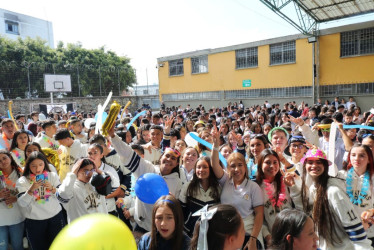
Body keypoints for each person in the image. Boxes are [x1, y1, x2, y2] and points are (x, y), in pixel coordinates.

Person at [290, 148, 372, 249]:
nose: (314, 166)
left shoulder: (333, 191)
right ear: (305, 165)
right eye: (310, 162)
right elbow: (305, 213)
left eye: (319, 162)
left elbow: (353, 226)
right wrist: (293, 188)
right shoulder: (313, 188)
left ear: (325, 165)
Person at [211, 126, 264, 249]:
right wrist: (215, 144)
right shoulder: (225, 181)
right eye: (232, 166)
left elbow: (259, 215)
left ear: (245, 167)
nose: (236, 169)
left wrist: (253, 239)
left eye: (240, 165)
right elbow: (214, 165)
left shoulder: (253, 187)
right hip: (228, 235)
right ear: (228, 168)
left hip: (248, 234)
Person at [16, 152, 65, 250]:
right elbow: (22, 203)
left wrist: (52, 188)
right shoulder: (22, 181)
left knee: (57, 246)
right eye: (33, 166)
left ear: (45, 164)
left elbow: (62, 196)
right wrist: (31, 189)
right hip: (35, 221)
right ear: (28, 166)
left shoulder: (52, 176)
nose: (37, 169)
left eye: (40, 165)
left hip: (55, 217)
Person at [256, 149, 301, 247]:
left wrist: (293, 187)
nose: (272, 166)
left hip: (293, 234)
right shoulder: (256, 187)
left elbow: (299, 205)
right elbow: (259, 217)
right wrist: (267, 236)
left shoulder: (287, 181)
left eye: (275, 162)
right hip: (273, 239)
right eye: (267, 162)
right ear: (260, 165)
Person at [340, 144, 374, 246]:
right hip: (347, 231)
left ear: (369, 160)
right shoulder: (341, 176)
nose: (357, 159)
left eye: (362, 155)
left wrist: (371, 212)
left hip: (369, 231)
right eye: (353, 155)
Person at [56, 158, 108, 223]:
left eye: (92, 170)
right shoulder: (71, 188)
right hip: (83, 230)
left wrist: (98, 171)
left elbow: (109, 185)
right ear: (77, 171)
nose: (89, 174)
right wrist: (72, 173)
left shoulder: (95, 183)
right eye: (86, 171)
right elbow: (63, 194)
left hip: (101, 226)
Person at [179, 156, 221, 236]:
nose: (201, 170)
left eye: (205, 167)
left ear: (211, 169)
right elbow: (181, 210)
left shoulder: (218, 189)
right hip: (189, 232)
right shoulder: (188, 187)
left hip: (210, 233)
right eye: (198, 167)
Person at [0, 150, 24, 250]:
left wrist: (16, 198)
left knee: (17, 246)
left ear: (10, 157)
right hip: (0, 219)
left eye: (4, 158)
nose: (2, 162)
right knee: (2, 247)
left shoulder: (21, 173)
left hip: (17, 217)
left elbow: (30, 192)